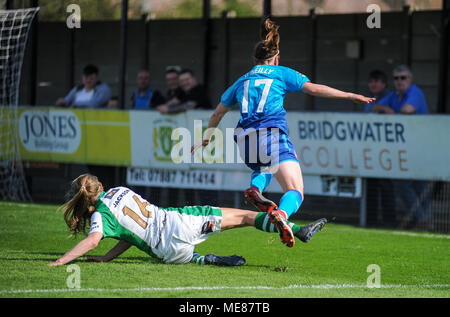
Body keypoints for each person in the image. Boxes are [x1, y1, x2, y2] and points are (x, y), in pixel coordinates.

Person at [192, 18, 374, 247]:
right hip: (271, 135)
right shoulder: (281, 73)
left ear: (254, 60)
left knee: (264, 167)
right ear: (276, 59)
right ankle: (282, 214)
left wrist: (207, 137)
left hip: (244, 140)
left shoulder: (241, 81)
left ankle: (256, 189)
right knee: (295, 190)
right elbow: (314, 89)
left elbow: (217, 114)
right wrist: (349, 96)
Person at [47, 174, 327, 267]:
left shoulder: (100, 216)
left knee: (184, 254)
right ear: (99, 185)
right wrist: (65, 261)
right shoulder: (121, 191)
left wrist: (66, 260)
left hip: (169, 253)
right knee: (245, 217)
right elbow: (112, 234)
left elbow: (122, 235)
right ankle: (298, 230)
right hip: (180, 223)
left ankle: (205, 260)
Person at [372, 65, 432, 230]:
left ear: (410, 79)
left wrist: (389, 112)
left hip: (420, 147)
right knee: (412, 186)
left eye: (403, 78)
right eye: (397, 78)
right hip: (404, 149)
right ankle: (425, 222)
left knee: (409, 185)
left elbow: (408, 110)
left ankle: (423, 220)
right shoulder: (394, 95)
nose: (400, 81)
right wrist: (387, 109)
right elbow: (375, 107)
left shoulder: (415, 92)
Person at [363, 70, 396, 228]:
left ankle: (390, 222)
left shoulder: (390, 98)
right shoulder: (368, 100)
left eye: (377, 81)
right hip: (371, 150)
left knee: (387, 187)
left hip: (387, 150)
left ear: (384, 83)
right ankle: (371, 221)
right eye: (371, 81)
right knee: (371, 187)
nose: (374, 84)